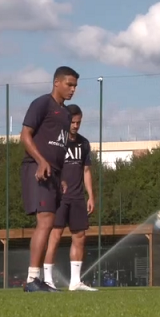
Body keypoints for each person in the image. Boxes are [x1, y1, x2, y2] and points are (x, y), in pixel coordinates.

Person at [20, 66, 79, 293]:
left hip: (54, 174)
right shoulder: (41, 104)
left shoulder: (65, 115)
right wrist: (41, 161)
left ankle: (38, 280)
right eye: (69, 84)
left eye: (75, 86)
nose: (73, 89)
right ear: (57, 82)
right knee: (44, 221)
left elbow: (61, 148)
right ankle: (32, 279)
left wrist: (62, 175)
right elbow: (25, 136)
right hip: (36, 168)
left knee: (50, 224)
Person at [42, 104, 97, 292]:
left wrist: (91, 196)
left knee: (79, 237)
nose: (75, 125)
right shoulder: (57, 142)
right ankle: (48, 280)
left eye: (78, 122)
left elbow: (87, 170)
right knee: (55, 237)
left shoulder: (84, 143)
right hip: (59, 198)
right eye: (72, 122)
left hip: (77, 198)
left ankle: (75, 282)